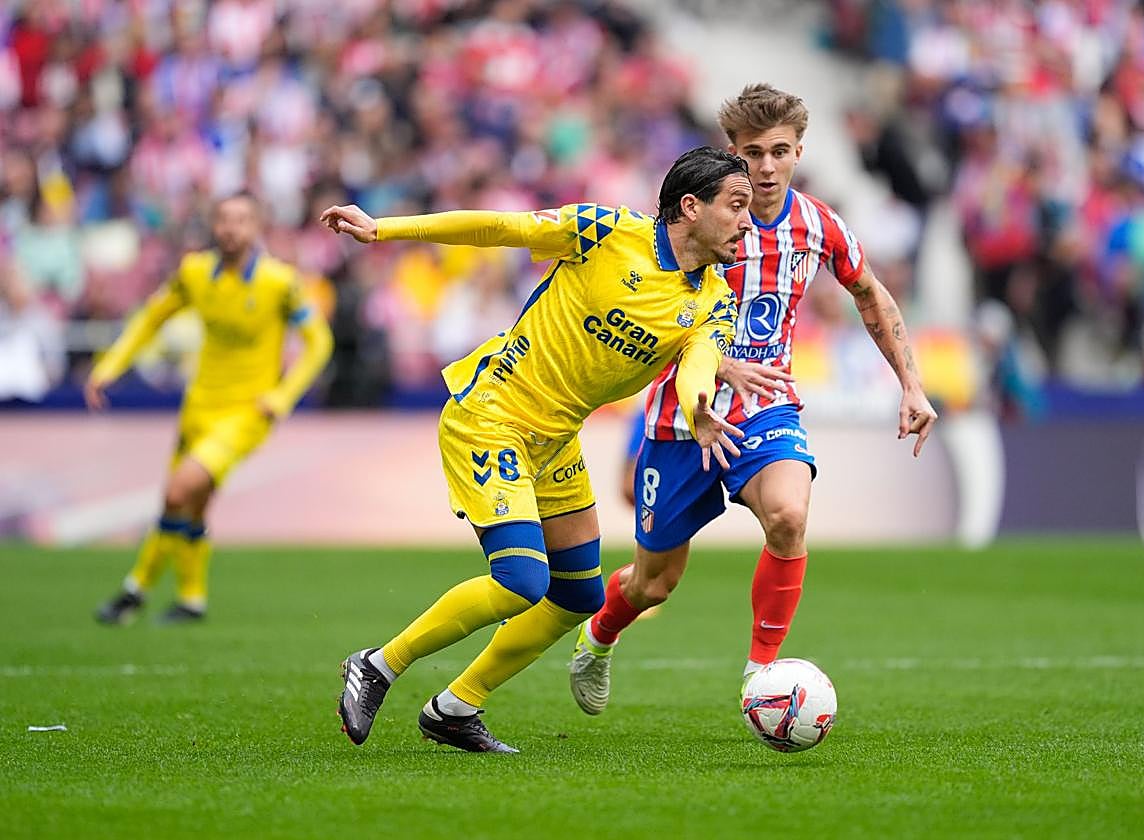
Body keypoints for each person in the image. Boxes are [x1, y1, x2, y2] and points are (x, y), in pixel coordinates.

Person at [323, 146, 751, 753]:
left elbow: (699, 363)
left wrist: (697, 407)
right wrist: (384, 229)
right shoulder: (605, 232)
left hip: (554, 439)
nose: (747, 219)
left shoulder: (713, 298)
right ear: (691, 206)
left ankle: (455, 706)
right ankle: (377, 664)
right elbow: (501, 227)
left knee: (577, 594)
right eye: (736, 204)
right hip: (492, 414)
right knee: (522, 579)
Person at [569, 83, 939, 715]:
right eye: (752, 154)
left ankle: (760, 678)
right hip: (684, 413)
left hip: (768, 406)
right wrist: (710, 360)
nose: (766, 168)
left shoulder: (818, 224)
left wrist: (911, 384)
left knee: (790, 518)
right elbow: (643, 306)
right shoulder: (693, 221)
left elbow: (870, 294)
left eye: (779, 152)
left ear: (798, 151)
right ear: (732, 154)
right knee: (654, 583)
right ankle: (599, 637)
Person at [89, 192, 333, 624]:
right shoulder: (195, 273)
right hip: (198, 407)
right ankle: (192, 598)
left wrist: (283, 395)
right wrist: (111, 365)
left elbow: (319, 342)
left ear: (257, 227)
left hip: (247, 414)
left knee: (177, 491)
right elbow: (151, 316)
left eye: (241, 219)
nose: (231, 228)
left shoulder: (281, 282)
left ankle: (136, 588)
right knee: (193, 504)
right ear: (213, 226)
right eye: (223, 219)